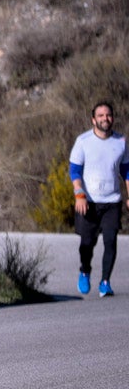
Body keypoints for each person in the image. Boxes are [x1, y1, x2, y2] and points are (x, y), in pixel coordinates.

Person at [69, 101, 129, 297]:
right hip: (89, 201)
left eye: (108, 115)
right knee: (87, 242)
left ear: (112, 118)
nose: (105, 118)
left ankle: (105, 282)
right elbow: (75, 170)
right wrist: (79, 195)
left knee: (110, 240)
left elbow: (126, 171)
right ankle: (85, 270)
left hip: (112, 201)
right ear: (93, 119)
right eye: (101, 115)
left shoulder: (120, 142)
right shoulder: (83, 141)